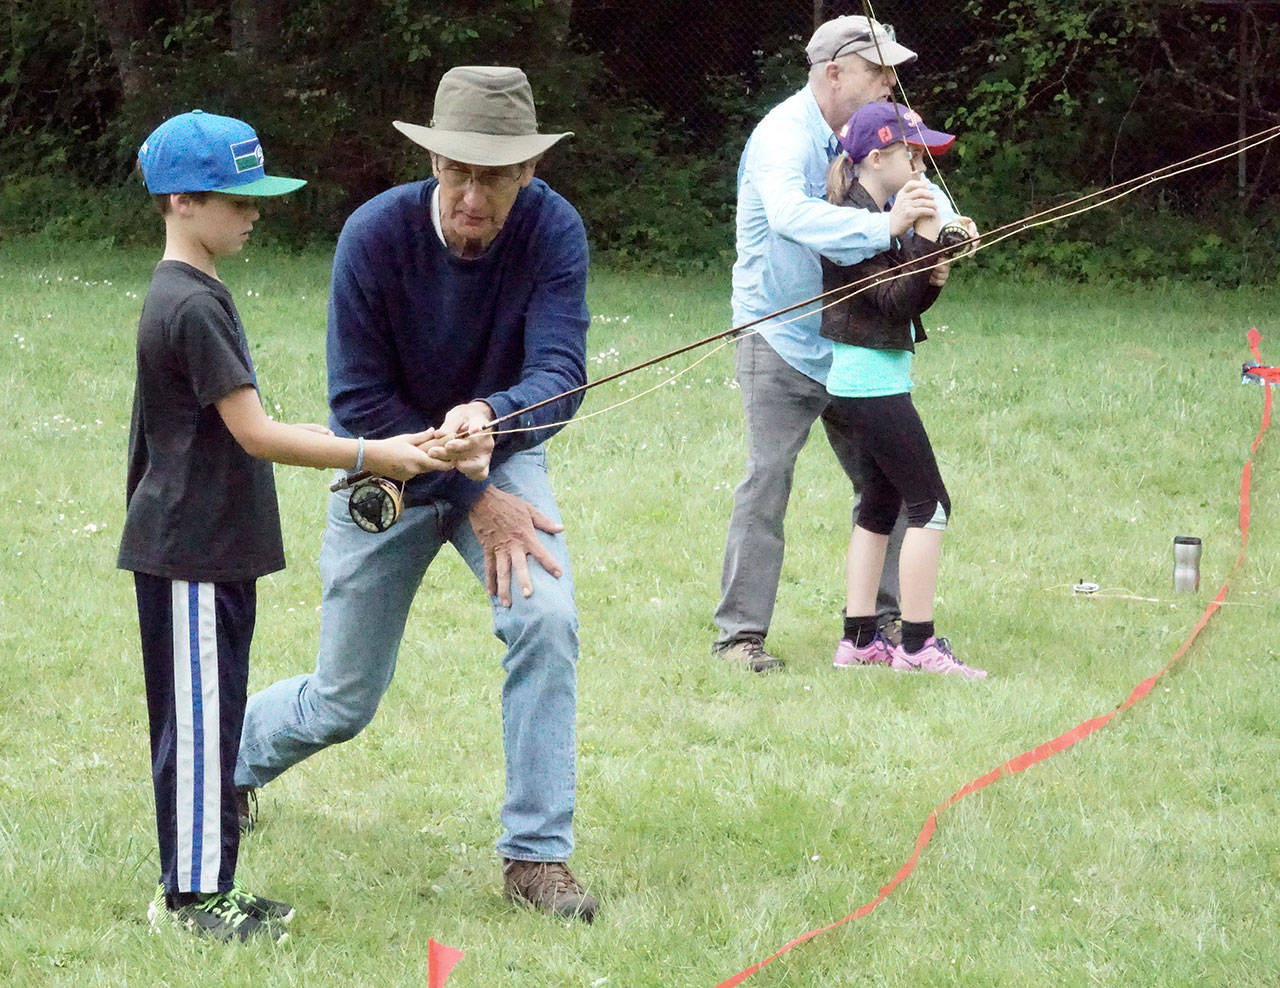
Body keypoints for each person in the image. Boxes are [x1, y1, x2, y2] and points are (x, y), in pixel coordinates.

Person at [233, 66, 599, 923]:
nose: (472, 195)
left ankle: (536, 858)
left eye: (494, 177)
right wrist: (472, 495)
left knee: (545, 621)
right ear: (433, 163)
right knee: (342, 699)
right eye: (457, 171)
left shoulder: (553, 230)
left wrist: (492, 418)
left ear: (528, 173)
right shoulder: (374, 235)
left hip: (498, 451)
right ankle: (223, 768)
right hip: (385, 461)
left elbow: (561, 372)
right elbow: (357, 402)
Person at [120, 110, 448, 942]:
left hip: (211, 549)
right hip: (191, 553)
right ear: (183, 200)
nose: (254, 213)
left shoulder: (196, 292)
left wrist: (369, 445)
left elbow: (223, 426)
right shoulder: (188, 305)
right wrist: (373, 453)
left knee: (217, 719)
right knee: (201, 731)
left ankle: (210, 884)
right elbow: (256, 434)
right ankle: (194, 902)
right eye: (238, 199)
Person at [714, 15, 968, 672]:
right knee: (767, 481)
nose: (891, 84)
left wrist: (945, 232)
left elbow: (915, 190)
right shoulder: (782, 136)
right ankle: (740, 636)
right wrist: (888, 229)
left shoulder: (874, 133)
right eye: (879, 71)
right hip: (781, 338)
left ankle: (880, 626)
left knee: (887, 483)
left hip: (857, 346)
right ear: (834, 73)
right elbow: (790, 217)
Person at [822, 101, 986, 679]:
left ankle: (859, 640)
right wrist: (925, 240)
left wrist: (935, 262)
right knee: (931, 506)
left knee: (879, 504)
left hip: (869, 381)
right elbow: (891, 302)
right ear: (877, 157)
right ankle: (917, 646)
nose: (921, 167)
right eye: (912, 155)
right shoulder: (852, 222)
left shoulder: (878, 214)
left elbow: (903, 303)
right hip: (869, 386)